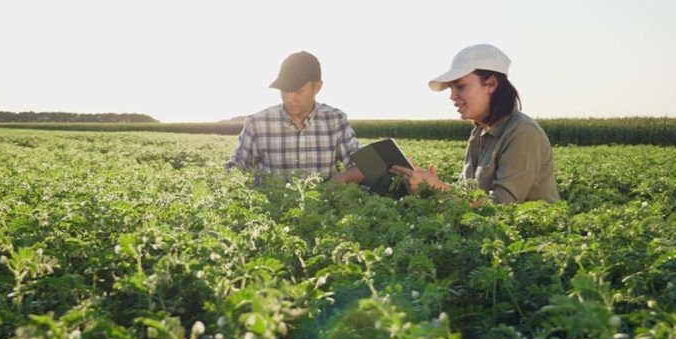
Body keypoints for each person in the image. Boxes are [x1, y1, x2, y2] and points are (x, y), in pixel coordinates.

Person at [391, 44, 560, 204]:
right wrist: (427, 185)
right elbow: (467, 193)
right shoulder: (478, 132)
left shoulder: (523, 132)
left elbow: (503, 206)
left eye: (460, 86)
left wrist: (437, 188)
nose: (452, 96)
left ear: (492, 84)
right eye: (451, 88)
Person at [226, 51, 364, 184]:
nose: (289, 97)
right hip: (271, 207)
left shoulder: (336, 121)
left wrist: (344, 177)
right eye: (284, 89)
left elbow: (362, 166)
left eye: (298, 91)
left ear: (317, 87)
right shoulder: (257, 124)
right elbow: (237, 168)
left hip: (322, 207)